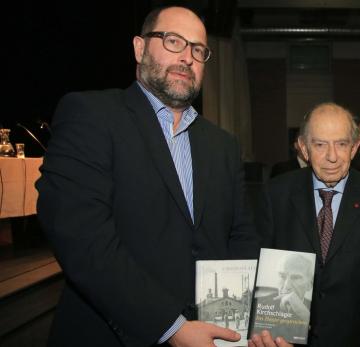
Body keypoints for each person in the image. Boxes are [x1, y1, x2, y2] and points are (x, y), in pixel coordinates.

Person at [36, 6, 258, 347]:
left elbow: (239, 236)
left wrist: (254, 320)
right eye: (173, 41)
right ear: (140, 48)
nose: (187, 57)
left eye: (198, 50)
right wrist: (172, 327)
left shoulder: (223, 144)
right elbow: (82, 237)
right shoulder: (91, 115)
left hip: (211, 336)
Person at [253, 102, 360, 347]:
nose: (332, 156)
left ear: (354, 148)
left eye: (341, 144)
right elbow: (260, 269)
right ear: (303, 149)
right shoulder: (276, 194)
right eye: (320, 145)